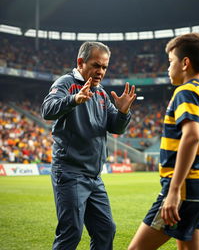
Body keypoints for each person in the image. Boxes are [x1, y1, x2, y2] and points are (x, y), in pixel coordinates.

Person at [41, 41, 136, 250]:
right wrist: (74, 99)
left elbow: (116, 128)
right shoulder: (66, 83)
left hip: (94, 176)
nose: (100, 71)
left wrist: (122, 113)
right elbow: (47, 110)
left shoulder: (101, 93)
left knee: (106, 230)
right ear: (80, 62)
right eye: (96, 65)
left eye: (104, 67)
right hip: (70, 172)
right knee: (71, 233)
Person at [128, 33, 199, 250]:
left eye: (170, 62)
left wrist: (174, 190)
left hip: (185, 188)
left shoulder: (185, 91)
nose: (168, 69)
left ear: (185, 63)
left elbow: (192, 136)